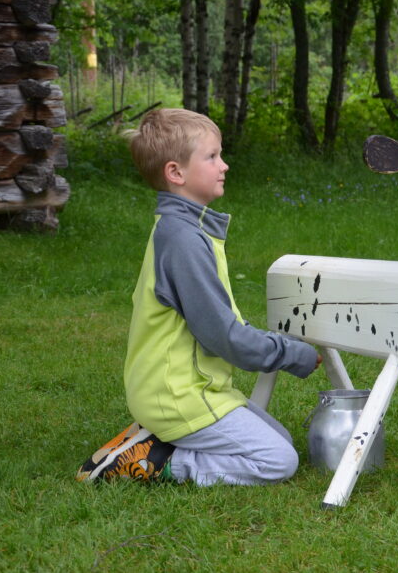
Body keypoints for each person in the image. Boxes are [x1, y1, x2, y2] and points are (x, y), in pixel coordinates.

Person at [76, 109, 320, 486]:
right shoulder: (184, 240)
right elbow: (225, 337)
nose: (223, 165)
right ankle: (155, 462)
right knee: (278, 460)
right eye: (212, 157)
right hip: (179, 396)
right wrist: (292, 353)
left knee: (282, 439)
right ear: (176, 173)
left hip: (182, 391)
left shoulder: (186, 228)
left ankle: (151, 439)